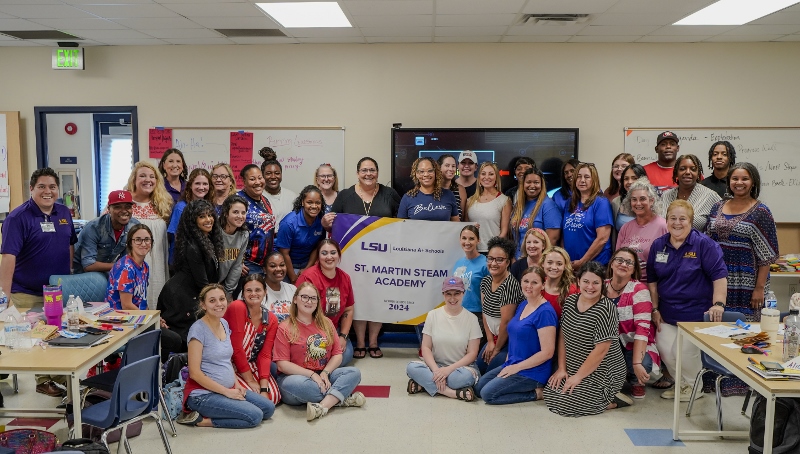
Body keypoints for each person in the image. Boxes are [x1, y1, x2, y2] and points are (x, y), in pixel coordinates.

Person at [0, 168, 77, 397]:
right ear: (31, 189)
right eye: (41, 187)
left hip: (57, 291)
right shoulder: (17, 218)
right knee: (37, 337)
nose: (47, 191)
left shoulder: (64, 212)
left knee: (59, 334)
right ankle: (43, 381)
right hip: (27, 291)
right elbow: (8, 258)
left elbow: (70, 244)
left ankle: (59, 377)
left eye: (52, 187)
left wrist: (70, 275)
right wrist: (4, 298)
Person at [647, 200, 728, 401]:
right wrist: (655, 308)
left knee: (682, 351)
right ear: (666, 221)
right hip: (667, 313)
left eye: (682, 219)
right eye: (673, 218)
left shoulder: (704, 245)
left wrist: (718, 304)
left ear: (691, 222)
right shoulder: (658, 245)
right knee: (666, 350)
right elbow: (653, 281)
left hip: (695, 315)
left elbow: (719, 277)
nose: (677, 223)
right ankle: (682, 384)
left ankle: (694, 388)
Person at [326, 157, 400, 361]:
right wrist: (326, 222)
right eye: (364, 170)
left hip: (383, 257)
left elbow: (402, 223)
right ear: (358, 173)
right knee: (357, 298)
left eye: (372, 170)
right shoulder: (345, 195)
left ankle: (374, 341)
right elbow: (332, 225)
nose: (369, 174)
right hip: (353, 258)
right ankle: (359, 342)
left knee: (376, 297)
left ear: (377, 172)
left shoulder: (390, 194)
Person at [178, 284, 275, 428]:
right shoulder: (198, 330)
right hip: (203, 395)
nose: (218, 304)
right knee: (255, 416)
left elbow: (226, 361)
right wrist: (227, 392)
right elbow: (195, 374)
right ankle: (200, 421)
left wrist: (237, 385)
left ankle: (223, 408)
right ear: (203, 305)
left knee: (268, 408)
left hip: (228, 388)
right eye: (212, 301)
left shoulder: (223, 323)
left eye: (222, 299)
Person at [544, 262, 630, 416]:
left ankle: (612, 399)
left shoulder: (606, 309)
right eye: (586, 282)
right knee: (550, 394)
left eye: (596, 282)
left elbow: (601, 349)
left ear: (602, 283)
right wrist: (562, 368)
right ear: (578, 282)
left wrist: (578, 377)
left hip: (603, 370)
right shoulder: (570, 302)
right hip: (574, 364)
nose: (590, 287)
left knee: (566, 406)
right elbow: (563, 336)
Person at [273, 282, 366, 421]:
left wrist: (325, 372)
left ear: (318, 302)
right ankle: (340, 397)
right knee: (300, 386)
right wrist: (311, 375)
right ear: (295, 299)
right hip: (296, 378)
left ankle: (323, 406)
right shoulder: (284, 327)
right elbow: (282, 365)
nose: (309, 301)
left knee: (354, 373)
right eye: (304, 297)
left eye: (313, 298)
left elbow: (337, 354)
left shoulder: (326, 323)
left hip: (323, 375)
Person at [706, 163, 778, 321]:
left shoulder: (762, 212)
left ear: (753, 182)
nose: (739, 183)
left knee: (745, 331)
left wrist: (759, 289)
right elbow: (707, 242)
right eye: (735, 178)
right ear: (729, 181)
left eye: (745, 179)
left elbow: (766, 256)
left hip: (747, 282)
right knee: (717, 327)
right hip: (718, 278)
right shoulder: (717, 206)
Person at [476, 265, 557, 405]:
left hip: (532, 371)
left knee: (488, 394)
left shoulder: (545, 312)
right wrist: (509, 362)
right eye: (526, 281)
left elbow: (547, 352)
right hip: (512, 363)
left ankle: (536, 393)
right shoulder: (523, 304)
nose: (529, 286)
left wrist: (516, 367)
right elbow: (515, 335)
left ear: (543, 285)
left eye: (534, 282)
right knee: (478, 388)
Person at [158, 200, 223, 351]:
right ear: (193, 221)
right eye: (202, 217)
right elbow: (203, 284)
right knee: (186, 343)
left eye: (210, 215)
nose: (208, 220)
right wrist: (218, 301)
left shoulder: (207, 240)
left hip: (192, 294)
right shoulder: (193, 246)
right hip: (181, 297)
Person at [406, 277, 482, 401]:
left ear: (463, 293)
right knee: (411, 367)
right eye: (448, 294)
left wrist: (448, 370)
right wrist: (436, 370)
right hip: (435, 366)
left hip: (459, 370)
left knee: (464, 378)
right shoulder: (432, 315)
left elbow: (472, 354)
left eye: (457, 293)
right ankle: (451, 392)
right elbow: (425, 347)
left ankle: (425, 385)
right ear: (443, 295)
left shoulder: (472, 319)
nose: (452, 298)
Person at [604, 248, 659, 400]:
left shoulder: (639, 290)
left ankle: (636, 381)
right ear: (612, 264)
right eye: (619, 260)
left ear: (634, 269)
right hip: (608, 343)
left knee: (644, 363)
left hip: (632, 343)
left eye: (629, 262)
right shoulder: (601, 286)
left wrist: (636, 363)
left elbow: (642, 330)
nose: (623, 264)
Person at [223, 275, 281, 405]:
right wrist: (250, 381)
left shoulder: (271, 319)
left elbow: (265, 355)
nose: (253, 294)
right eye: (249, 290)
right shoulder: (237, 307)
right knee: (253, 398)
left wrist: (264, 387)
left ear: (265, 292)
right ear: (243, 293)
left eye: (258, 290)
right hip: (228, 364)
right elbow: (236, 349)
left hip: (249, 363)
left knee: (273, 397)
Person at [295, 239, 355, 365]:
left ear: (339, 255)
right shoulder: (308, 277)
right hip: (308, 330)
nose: (329, 257)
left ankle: (324, 367)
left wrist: (343, 337)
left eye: (333, 252)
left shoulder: (345, 278)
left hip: (333, 329)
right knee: (317, 355)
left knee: (347, 354)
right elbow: (297, 311)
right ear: (318, 256)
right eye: (324, 253)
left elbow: (348, 310)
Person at [125, 161, 172, 306]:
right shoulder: (125, 203)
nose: (148, 180)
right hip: (132, 264)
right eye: (142, 176)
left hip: (158, 263)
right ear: (134, 179)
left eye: (152, 176)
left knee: (156, 300)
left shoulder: (163, 204)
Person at [477, 237, 524, 374]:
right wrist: (490, 341)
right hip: (494, 338)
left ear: (508, 262)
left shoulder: (510, 285)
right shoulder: (485, 282)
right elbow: (484, 312)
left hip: (508, 342)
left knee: (486, 378)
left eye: (499, 260)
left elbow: (506, 323)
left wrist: (496, 349)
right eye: (490, 258)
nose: (493, 263)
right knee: (479, 371)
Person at [72, 189, 139, 274]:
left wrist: (123, 266)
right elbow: (88, 265)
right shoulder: (94, 227)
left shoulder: (134, 227)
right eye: (117, 207)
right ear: (109, 209)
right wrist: (121, 265)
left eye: (128, 207)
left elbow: (126, 259)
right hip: (78, 271)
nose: (124, 211)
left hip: (104, 269)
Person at [562, 162, 613, 267]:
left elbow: (602, 239)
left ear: (593, 180)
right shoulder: (570, 202)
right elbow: (564, 233)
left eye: (587, 177)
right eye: (579, 177)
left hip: (595, 265)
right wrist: (564, 259)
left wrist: (582, 262)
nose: (582, 180)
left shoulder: (601, 202)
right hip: (571, 265)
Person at [616, 178, 667, 282]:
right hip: (626, 285)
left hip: (652, 285)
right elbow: (617, 259)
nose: (638, 203)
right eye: (634, 199)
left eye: (642, 199)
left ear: (651, 200)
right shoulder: (625, 228)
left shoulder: (663, 226)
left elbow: (667, 261)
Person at [276, 185, 325, 283]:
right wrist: (293, 277)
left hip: (307, 264)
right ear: (303, 202)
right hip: (286, 264)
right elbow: (284, 253)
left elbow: (316, 247)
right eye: (309, 202)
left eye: (318, 203)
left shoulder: (321, 221)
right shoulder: (288, 223)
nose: (314, 206)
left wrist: (307, 269)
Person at [660, 154, 721, 231]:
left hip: (697, 242)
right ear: (676, 173)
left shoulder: (710, 196)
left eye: (693, 169)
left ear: (698, 174)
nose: (688, 172)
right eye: (682, 169)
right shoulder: (665, 196)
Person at [510, 167, 561, 257]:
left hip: (538, 261)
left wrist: (540, 262)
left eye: (536, 182)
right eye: (528, 182)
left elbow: (552, 240)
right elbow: (514, 238)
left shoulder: (548, 206)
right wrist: (514, 259)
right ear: (523, 184)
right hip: (518, 261)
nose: (532, 186)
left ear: (542, 184)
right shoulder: (519, 206)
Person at [167, 168, 214, 266]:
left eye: (205, 184)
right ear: (190, 185)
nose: (201, 187)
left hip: (202, 259)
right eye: (197, 183)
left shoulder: (210, 207)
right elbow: (175, 236)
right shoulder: (181, 207)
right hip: (182, 261)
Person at [237, 164, 275, 278]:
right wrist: (236, 262)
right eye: (252, 179)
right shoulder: (237, 200)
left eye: (260, 177)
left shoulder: (265, 200)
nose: (258, 182)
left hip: (265, 264)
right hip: (248, 264)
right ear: (244, 181)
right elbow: (227, 232)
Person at [465, 162, 511, 253]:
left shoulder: (504, 201)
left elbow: (504, 231)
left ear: (496, 178)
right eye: (483, 174)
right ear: (479, 178)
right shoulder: (470, 201)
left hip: (493, 252)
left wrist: (494, 249)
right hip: (472, 251)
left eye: (491, 174)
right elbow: (466, 227)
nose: (487, 177)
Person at [105, 224, 152, 311]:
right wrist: (150, 318)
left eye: (147, 239)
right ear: (130, 243)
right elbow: (126, 306)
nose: (143, 244)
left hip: (138, 316)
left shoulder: (145, 266)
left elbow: (142, 301)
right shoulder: (125, 268)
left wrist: (154, 317)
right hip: (120, 319)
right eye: (138, 240)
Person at [397, 157, 459, 222]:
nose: (426, 174)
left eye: (430, 171)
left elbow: (456, 225)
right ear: (416, 174)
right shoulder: (407, 198)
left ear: (435, 173)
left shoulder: (448, 195)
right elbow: (401, 227)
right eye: (421, 171)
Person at [452, 225, 488, 327]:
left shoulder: (485, 263)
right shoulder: (458, 263)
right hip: (457, 312)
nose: (467, 242)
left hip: (477, 315)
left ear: (478, 241)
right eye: (464, 238)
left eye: (471, 239)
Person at [217, 195, 249, 298]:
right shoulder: (215, 230)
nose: (240, 216)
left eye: (243, 213)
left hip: (225, 285)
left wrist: (228, 292)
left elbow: (237, 266)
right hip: (207, 284)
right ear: (226, 213)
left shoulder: (244, 234)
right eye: (235, 212)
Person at [261, 151, 298, 233]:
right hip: (265, 242)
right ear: (262, 175)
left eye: (277, 173)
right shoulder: (258, 196)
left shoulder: (292, 196)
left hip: (288, 241)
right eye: (268, 173)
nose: (273, 177)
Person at [540, 246, 577, 319]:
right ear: (543, 264)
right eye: (549, 263)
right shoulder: (536, 284)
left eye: (559, 264)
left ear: (565, 266)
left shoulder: (572, 291)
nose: (554, 267)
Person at [611, 164, 648, 234]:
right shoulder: (616, 202)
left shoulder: (651, 201)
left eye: (634, 178)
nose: (630, 182)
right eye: (626, 179)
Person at [263, 251, 297, 322]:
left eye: (282, 265)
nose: (278, 269)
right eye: (273, 266)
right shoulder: (254, 290)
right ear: (264, 270)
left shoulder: (293, 289)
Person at [437, 154, 467, 220]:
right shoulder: (431, 189)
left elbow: (463, 218)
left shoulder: (460, 189)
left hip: (455, 229)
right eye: (447, 166)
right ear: (439, 167)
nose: (451, 169)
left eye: (453, 166)